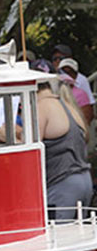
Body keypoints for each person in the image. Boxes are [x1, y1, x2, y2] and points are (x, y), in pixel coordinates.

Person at [34, 66, 92, 221]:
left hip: (62, 183)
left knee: (58, 237)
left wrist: (6, 134)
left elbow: (33, 148)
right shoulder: (67, 106)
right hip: (84, 180)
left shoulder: (42, 107)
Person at [52, 44, 95, 109]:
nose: (58, 61)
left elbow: (89, 103)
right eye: (55, 59)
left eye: (61, 58)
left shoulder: (81, 79)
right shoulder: (51, 78)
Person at [58, 57, 94, 125]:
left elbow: (88, 110)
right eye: (63, 72)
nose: (67, 75)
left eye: (70, 72)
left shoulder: (81, 88)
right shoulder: (54, 89)